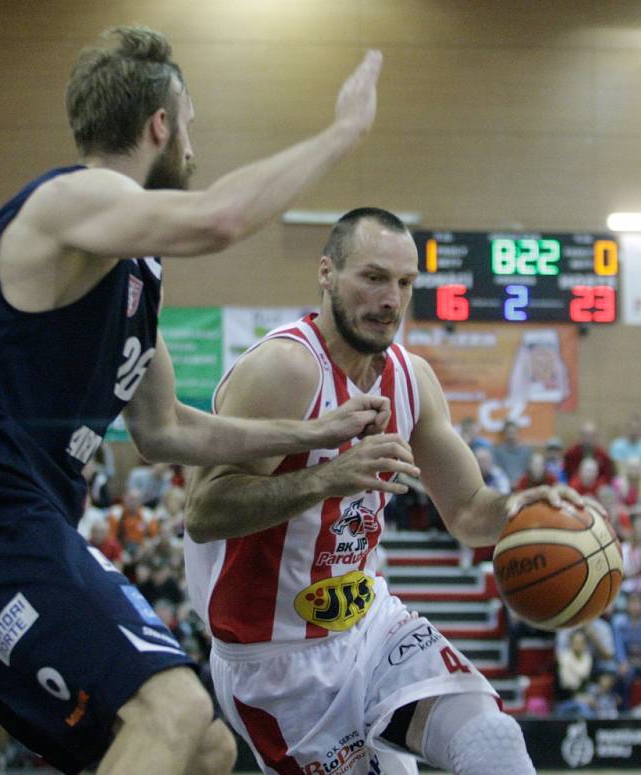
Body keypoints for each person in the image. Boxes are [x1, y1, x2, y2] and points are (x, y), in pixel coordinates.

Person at [0, 26, 387, 775]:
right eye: (189, 122)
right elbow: (220, 218)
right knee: (174, 707)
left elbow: (166, 428)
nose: (194, 139)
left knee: (207, 747)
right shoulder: (73, 199)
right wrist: (343, 132)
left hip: (21, 521)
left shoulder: (132, 269)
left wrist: (315, 430)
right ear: (161, 124)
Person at [184, 208, 588, 775]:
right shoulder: (285, 369)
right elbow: (203, 511)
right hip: (276, 663)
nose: (391, 299)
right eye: (372, 278)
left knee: (493, 743)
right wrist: (326, 478)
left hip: (370, 626)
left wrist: (524, 510)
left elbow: (470, 511)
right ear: (327, 273)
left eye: (404, 283)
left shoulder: (412, 377)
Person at [492, 419, 532, 488]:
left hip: (523, 486)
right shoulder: (498, 451)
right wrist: (507, 482)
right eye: (509, 432)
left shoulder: (526, 451)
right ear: (504, 434)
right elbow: (497, 471)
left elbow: (529, 471)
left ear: (518, 433)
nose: (511, 435)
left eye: (513, 432)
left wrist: (520, 482)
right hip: (503, 487)